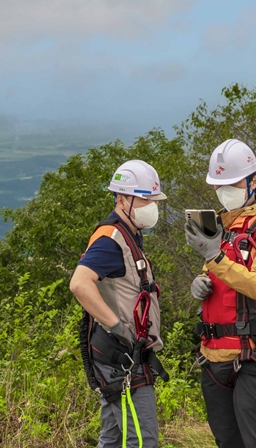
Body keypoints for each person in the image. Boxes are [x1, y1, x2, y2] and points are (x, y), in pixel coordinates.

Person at [184, 139, 256, 448]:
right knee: (227, 442)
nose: (224, 191)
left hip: (253, 354)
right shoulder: (223, 227)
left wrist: (213, 258)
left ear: (253, 181)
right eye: (219, 186)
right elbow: (219, 277)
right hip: (214, 353)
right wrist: (201, 282)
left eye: (231, 184)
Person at [71, 159, 168, 448]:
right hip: (122, 359)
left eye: (154, 200)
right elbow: (79, 283)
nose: (152, 206)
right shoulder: (111, 239)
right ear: (122, 199)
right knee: (142, 441)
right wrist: (117, 326)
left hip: (120, 356)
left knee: (112, 439)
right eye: (145, 199)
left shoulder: (128, 235)